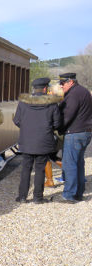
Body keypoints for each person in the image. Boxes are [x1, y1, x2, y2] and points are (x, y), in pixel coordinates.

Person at [13, 77, 62, 203]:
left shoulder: (23, 102)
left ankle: (22, 197)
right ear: (45, 88)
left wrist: (27, 129)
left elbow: (17, 120)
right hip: (44, 141)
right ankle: (37, 197)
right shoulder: (52, 103)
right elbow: (57, 124)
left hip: (27, 141)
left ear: (34, 89)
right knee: (40, 169)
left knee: (26, 169)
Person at [57, 72, 92, 203]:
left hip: (75, 132)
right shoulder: (83, 91)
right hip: (85, 131)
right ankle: (78, 193)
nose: (61, 86)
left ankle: (69, 195)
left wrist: (59, 129)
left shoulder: (73, 94)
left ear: (70, 82)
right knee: (78, 163)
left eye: (62, 83)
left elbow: (67, 115)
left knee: (69, 164)